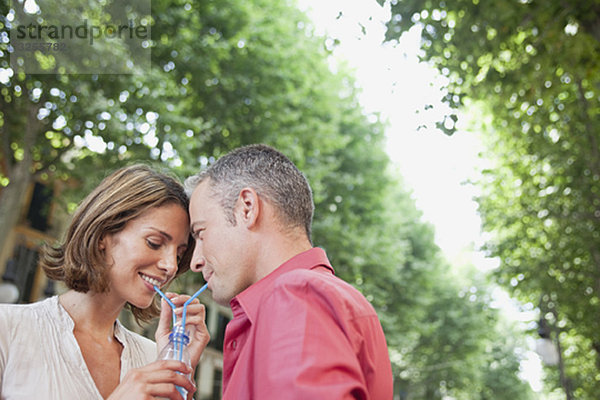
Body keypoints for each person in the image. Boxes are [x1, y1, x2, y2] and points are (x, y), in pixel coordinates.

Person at [185, 144, 393, 399]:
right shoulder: (334, 297)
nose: (195, 260)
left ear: (247, 208)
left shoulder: (296, 295)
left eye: (201, 233)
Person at [0, 164, 210, 400]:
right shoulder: (7, 330)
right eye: (154, 242)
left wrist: (177, 369)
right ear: (102, 235)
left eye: (179, 254)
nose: (171, 266)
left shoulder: (154, 357)